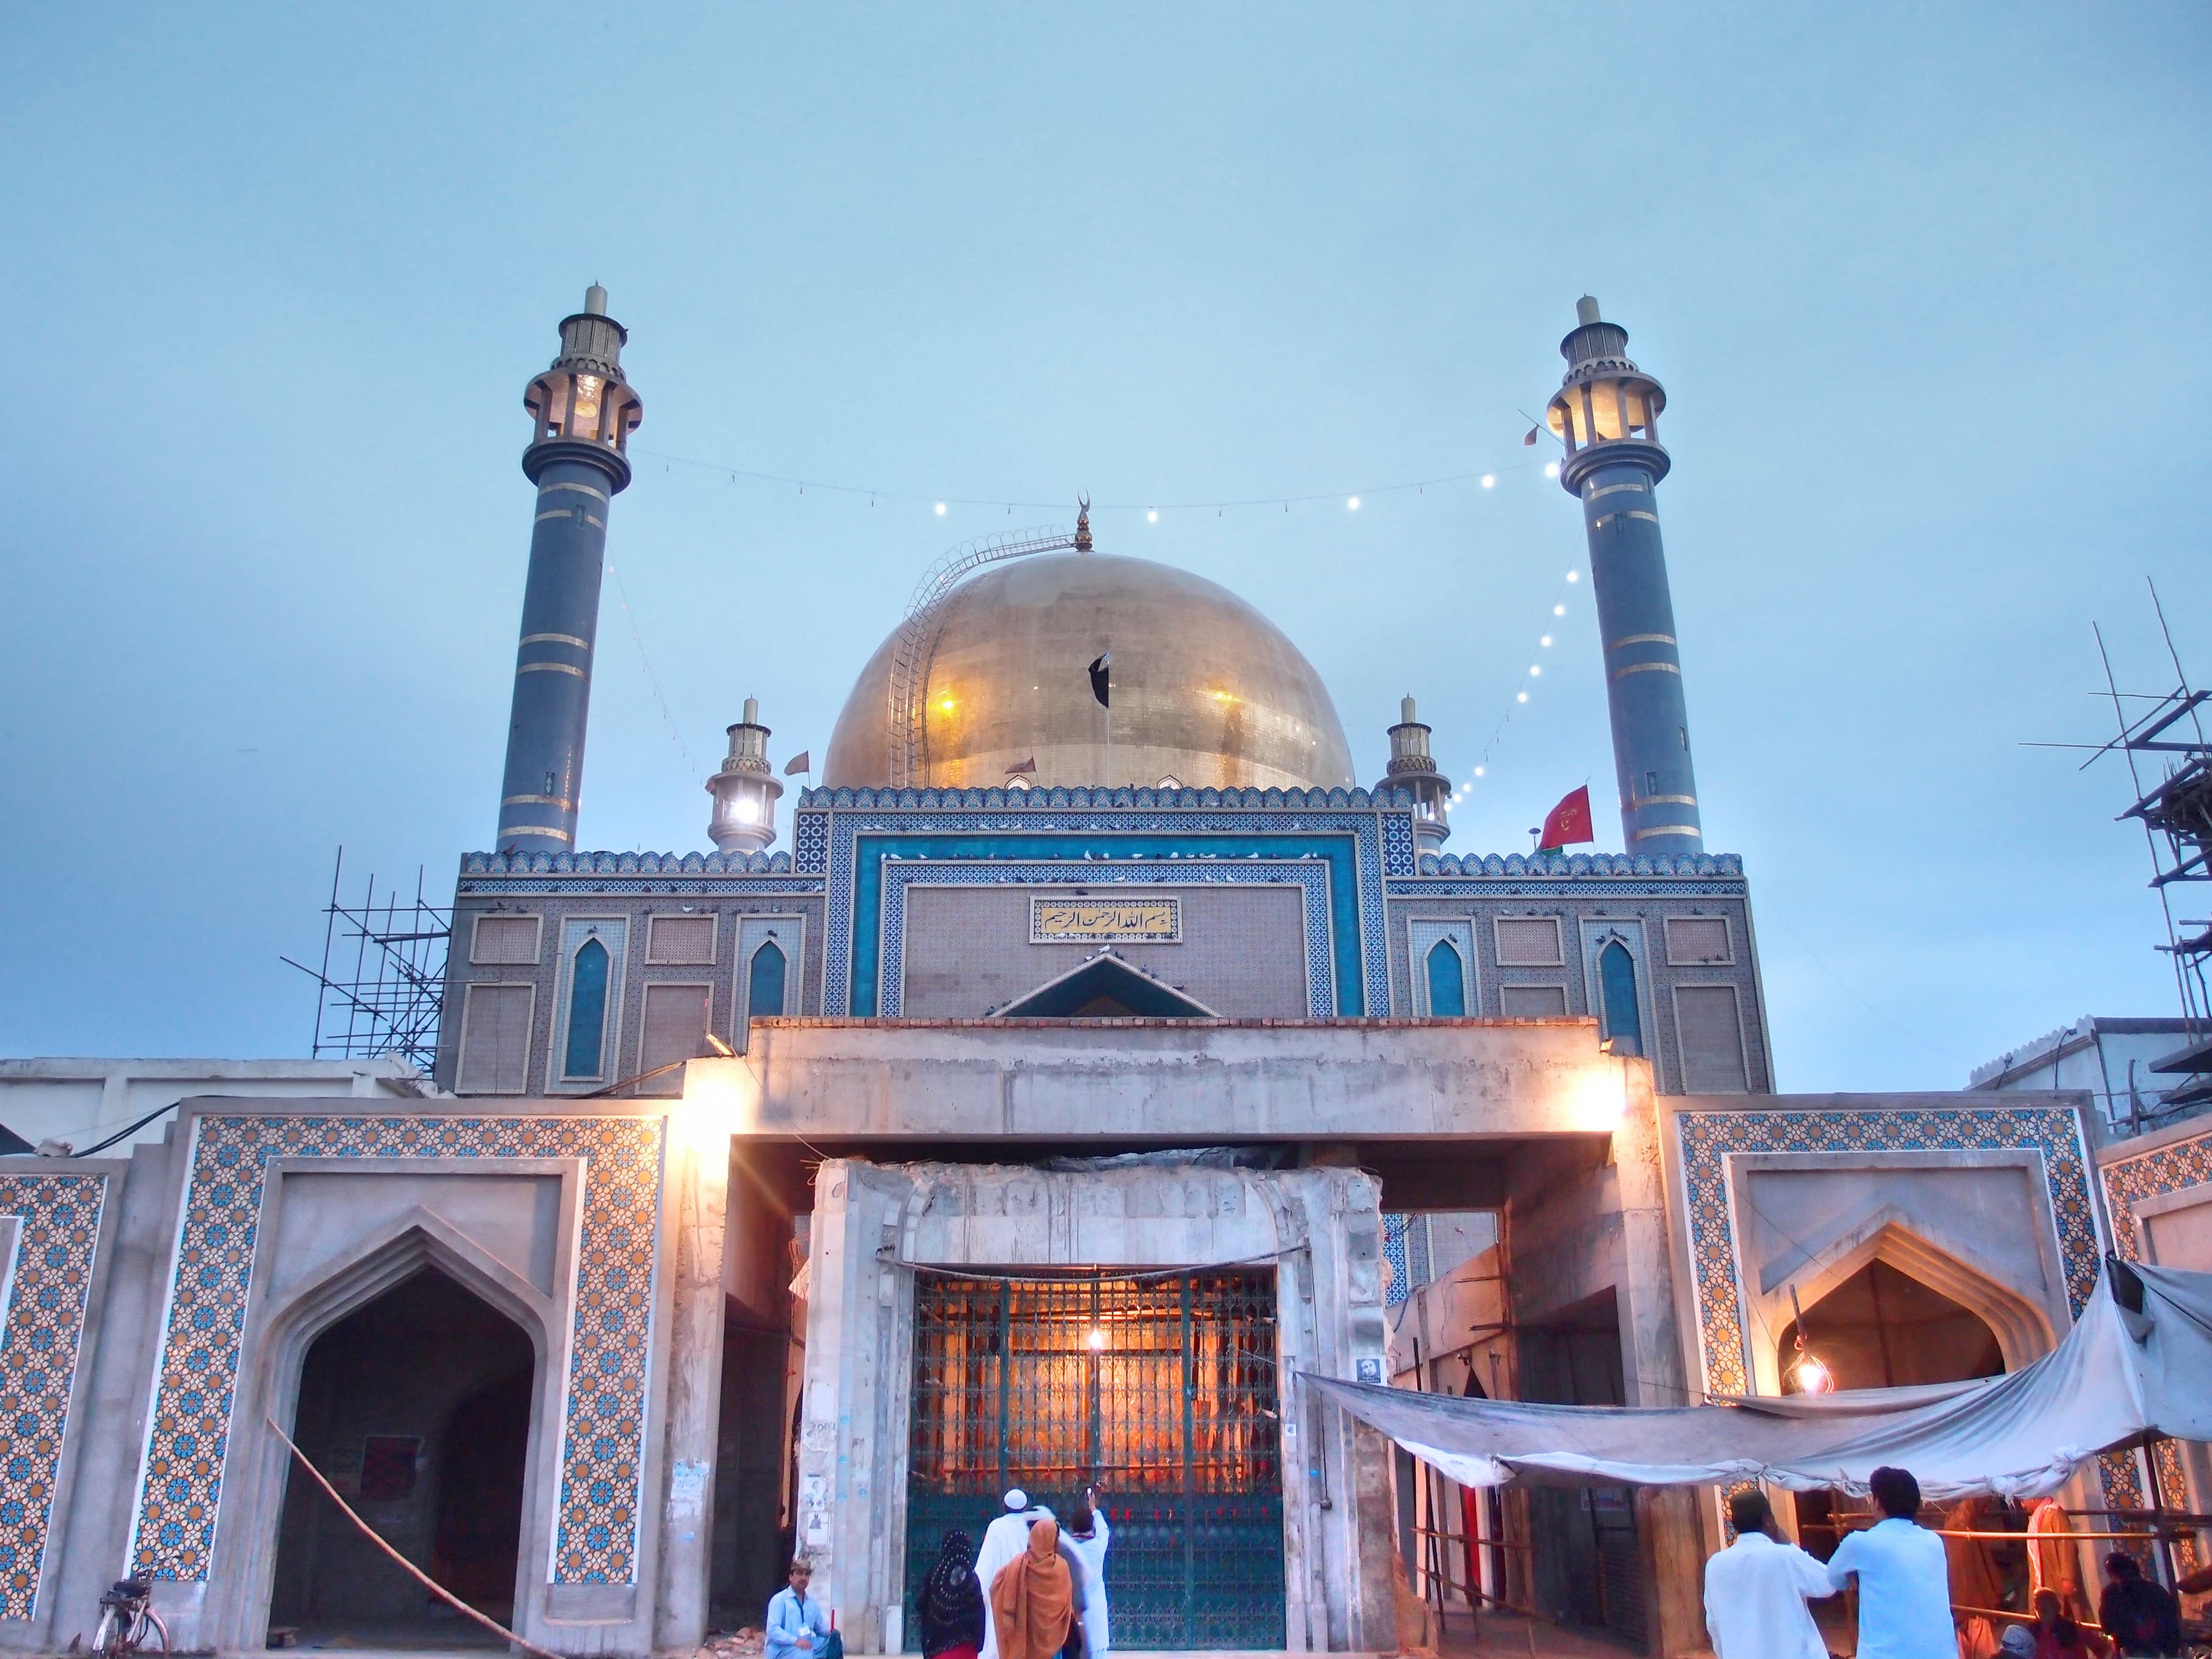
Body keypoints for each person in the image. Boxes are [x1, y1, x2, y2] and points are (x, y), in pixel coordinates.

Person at [1824, 1466, 1955, 1659]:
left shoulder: (1860, 1543)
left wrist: (1854, 1580)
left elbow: (1834, 1578)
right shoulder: (1934, 1541)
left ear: (1877, 1502)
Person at [1700, 1488, 1835, 1659]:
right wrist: (1789, 1545)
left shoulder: (1715, 1565)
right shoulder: (1785, 1556)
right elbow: (1829, 1583)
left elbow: (1713, 1624)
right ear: (1768, 1520)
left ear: (1734, 1524)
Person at [976, 1490, 1051, 1659]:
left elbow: (984, 1568)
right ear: (1025, 1507)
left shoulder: (996, 1527)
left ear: (1004, 1507)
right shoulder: (1031, 1527)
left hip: (1000, 1596)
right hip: (1027, 1596)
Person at [990, 1518, 1076, 1659]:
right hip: (1053, 1641)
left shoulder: (1017, 1566)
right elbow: (1067, 1605)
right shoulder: (1061, 1568)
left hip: (1025, 1641)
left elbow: (996, 1586)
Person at [2097, 1552, 2182, 1657]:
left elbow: (2107, 1627)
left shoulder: (2112, 1595)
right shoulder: (2112, 1595)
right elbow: (2108, 1627)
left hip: (2154, 1650)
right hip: (2141, 1650)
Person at [919, 1530, 987, 1659]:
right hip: (966, 1649)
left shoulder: (934, 1575)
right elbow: (979, 1615)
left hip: (938, 1647)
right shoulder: (972, 1579)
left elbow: (923, 1608)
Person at [1062, 1490, 1111, 1659]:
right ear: (1092, 1526)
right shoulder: (1098, 1546)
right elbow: (1104, 1529)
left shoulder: (1066, 1549)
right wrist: (1094, 1509)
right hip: (1095, 1610)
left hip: (1072, 1611)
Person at [767, 1558, 834, 1659]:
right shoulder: (779, 1600)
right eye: (800, 1573)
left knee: (833, 1643)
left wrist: (831, 1633)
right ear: (791, 1577)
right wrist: (795, 1641)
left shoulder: (812, 1604)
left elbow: (820, 1629)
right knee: (804, 1654)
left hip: (806, 1646)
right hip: (784, 1649)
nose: (804, 1578)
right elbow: (773, 1630)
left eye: (807, 1575)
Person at [2025, 1585, 2112, 1657]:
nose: (2041, 1609)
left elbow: (2103, 1649)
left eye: (2045, 1604)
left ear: (2056, 1606)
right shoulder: (2031, 1633)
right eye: (2037, 1604)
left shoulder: (2072, 1629)